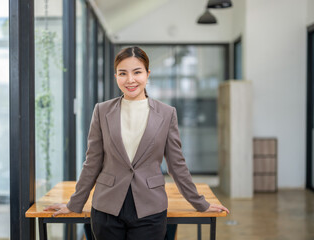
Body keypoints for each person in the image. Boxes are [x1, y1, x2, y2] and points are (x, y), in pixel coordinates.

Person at [44, 46, 229, 240]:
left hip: (150, 209)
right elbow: (92, 162)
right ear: (116, 76)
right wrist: (75, 203)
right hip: (107, 208)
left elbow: (177, 165)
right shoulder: (101, 111)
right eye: (123, 73)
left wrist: (201, 203)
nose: (130, 80)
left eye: (137, 72)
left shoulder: (167, 114)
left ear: (147, 74)